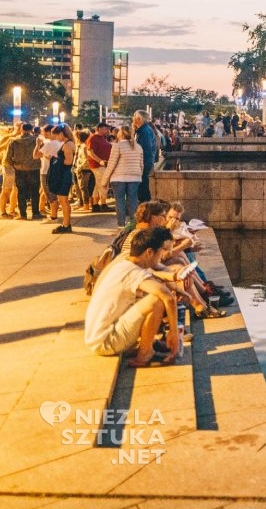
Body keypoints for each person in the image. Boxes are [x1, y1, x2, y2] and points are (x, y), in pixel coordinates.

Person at [84, 226, 180, 367]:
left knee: (152, 294)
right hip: (105, 341)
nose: (162, 257)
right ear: (149, 252)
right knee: (157, 299)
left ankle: (148, 345)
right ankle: (145, 354)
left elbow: (156, 280)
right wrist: (174, 332)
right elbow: (167, 297)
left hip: (99, 336)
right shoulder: (133, 273)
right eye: (160, 252)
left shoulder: (125, 264)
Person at [104, 125, 144, 227]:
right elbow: (141, 164)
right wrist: (139, 174)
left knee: (120, 201)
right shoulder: (138, 147)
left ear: (121, 134)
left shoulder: (117, 146)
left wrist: (104, 180)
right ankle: (133, 224)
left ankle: (121, 225)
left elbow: (111, 163)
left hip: (118, 178)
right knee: (133, 201)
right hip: (135, 178)